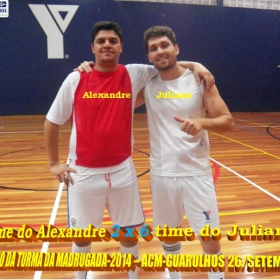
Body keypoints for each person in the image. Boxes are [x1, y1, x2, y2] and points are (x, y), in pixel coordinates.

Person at [45, 21, 215, 279]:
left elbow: (168, 62)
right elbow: (52, 121)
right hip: (83, 172)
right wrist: (54, 163)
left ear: (121, 47)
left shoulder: (134, 74)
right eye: (101, 41)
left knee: (129, 234)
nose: (107, 45)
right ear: (92, 47)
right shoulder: (77, 78)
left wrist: (197, 65)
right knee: (82, 238)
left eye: (113, 41)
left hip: (122, 171)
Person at [136, 26, 234, 279]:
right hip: (162, 173)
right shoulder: (147, 83)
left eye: (164, 45)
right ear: (148, 56)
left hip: (196, 173)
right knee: (169, 236)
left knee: (210, 239)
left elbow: (227, 121)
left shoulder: (199, 80)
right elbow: (111, 86)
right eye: (153, 48)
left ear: (176, 48)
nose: (160, 51)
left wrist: (202, 122)